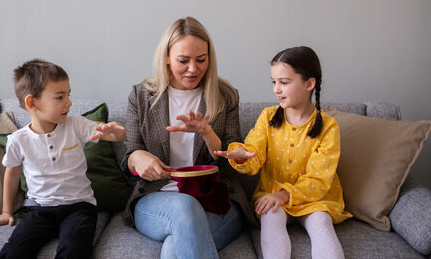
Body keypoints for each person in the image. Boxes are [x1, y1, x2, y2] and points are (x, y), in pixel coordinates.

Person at [121, 17, 257, 259]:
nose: (193, 69)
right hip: (156, 198)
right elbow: (130, 155)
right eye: (183, 61)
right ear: (166, 57)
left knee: (176, 248)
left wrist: (207, 132)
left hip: (216, 200)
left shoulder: (225, 96)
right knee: (185, 206)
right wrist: (138, 158)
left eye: (201, 60)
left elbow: (230, 167)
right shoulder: (140, 96)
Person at [0, 59, 126, 259]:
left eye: (68, 95)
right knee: (14, 251)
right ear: (32, 102)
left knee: (74, 248)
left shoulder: (77, 125)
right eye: (60, 97)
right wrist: (6, 212)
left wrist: (117, 132)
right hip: (39, 209)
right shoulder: (18, 140)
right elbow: (12, 173)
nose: (69, 102)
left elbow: (110, 135)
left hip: (79, 207)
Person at [215, 46, 352, 259]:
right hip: (272, 197)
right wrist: (242, 155)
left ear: (309, 84)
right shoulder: (268, 117)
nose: (276, 90)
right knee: (270, 215)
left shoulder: (328, 126)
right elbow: (254, 154)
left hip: (314, 200)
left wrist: (285, 194)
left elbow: (319, 179)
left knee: (321, 222)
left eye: (284, 83)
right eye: (274, 82)